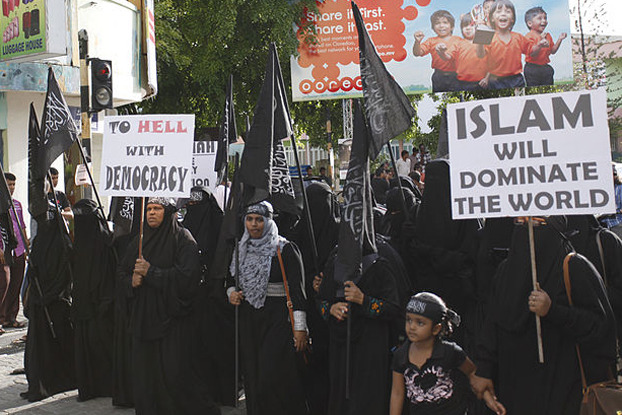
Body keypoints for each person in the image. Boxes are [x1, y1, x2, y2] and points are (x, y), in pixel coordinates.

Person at [472, 216, 618, 415]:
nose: (527, 227)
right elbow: (494, 323)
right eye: (521, 222)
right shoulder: (506, 271)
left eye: (537, 221)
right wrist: (484, 369)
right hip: (514, 388)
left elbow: (600, 327)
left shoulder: (575, 267)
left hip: (563, 387)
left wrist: (553, 311)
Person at [118, 197, 220, 415]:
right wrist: (131, 282)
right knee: (145, 377)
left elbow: (188, 279)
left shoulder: (183, 239)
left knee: (174, 374)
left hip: (172, 321)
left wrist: (151, 273)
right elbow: (121, 273)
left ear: (169, 212)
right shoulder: (139, 241)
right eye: (148, 209)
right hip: (143, 320)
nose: (151, 213)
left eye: (157, 209)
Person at [228, 201, 308, 415]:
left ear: (269, 221)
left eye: (259, 220)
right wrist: (231, 294)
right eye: (250, 219)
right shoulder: (240, 248)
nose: (254, 225)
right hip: (250, 320)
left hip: (277, 321)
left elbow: (297, 292)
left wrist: (300, 329)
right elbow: (230, 281)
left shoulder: (284, 249)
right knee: (253, 377)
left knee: (271, 377)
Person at [390, 293, 506, 415]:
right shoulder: (401, 355)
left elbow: (473, 374)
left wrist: (490, 401)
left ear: (436, 329)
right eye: (408, 320)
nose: (412, 327)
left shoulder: (450, 352)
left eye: (420, 323)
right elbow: (397, 392)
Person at [318, 245, 401, 415]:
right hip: (340, 345)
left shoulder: (380, 263)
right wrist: (331, 309)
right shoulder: (334, 261)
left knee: (367, 397)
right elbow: (321, 300)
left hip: (371, 344)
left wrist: (364, 301)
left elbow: (393, 308)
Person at [182, 186, 235, 407]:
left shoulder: (222, 227)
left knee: (217, 347)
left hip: (217, 298)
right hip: (192, 298)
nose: (195, 209)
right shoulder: (182, 231)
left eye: (198, 204)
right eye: (190, 205)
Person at [22, 185, 75, 402]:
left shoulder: (63, 244)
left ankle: (58, 380)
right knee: (37, 348)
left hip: (57, 306)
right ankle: (38, 382)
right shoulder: (41, 243)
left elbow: (67, 276)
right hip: (39, 307)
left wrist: (51, 296)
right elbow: (34, 276)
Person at [71, 199, 116, 401]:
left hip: (102, 304)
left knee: (101, 344)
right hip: (84, 303)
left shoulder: (106, 241)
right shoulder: (80, 241)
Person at [475, 0, 546, 90]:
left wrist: (539, 45)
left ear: (512, 18)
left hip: (516, 80)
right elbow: (480, 55)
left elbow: (531, 50)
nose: (503, 14)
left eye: (507, 11)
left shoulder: (518, 37)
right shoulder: (489, 37)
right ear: (492, 18)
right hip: (495, 80)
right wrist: (480, 38)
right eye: (499, 11)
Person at [0, 172, 27, 330]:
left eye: (13, 185)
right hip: (4, 251)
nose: (11, 188)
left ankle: (11, 318)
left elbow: (21, 226)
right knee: (4, 282)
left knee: (16, 283)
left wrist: (26, 246)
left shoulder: (17, 204)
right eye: (8, 184)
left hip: (18, 250)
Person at [438, 13, 490, 91]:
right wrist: (441, 52)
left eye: (471, 25)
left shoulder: (484, 42)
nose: (468, 28)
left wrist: (487, 78)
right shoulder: (458, 42)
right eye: (465, 26)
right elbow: (447, 56)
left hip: (481, 83)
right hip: (461, 84)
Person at [413, 10, 461, 92]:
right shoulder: (431, 41)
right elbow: (417, 53)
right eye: (437, 23)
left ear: (452, 26)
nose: (441, 26)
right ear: (433, 27)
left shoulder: (458, 40)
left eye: (445, 22)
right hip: (438, 76)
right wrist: (417, 41)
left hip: (456, 75)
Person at [523, 6, 567, 87]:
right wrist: (540, 43)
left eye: (545, 18)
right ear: (530, 23)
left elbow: (552, 51)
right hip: (532, 68)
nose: (544, 21)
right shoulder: (529, 36)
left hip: (545, 67)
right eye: (540, 18)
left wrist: (560, 39)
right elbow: (531, 53)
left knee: (548, 85)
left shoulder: (548, 35)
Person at [601, 166, 622, 238]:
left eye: (613, 174)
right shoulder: (600, 189)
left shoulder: (620, 188)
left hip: (617, 222)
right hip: (601, 224)